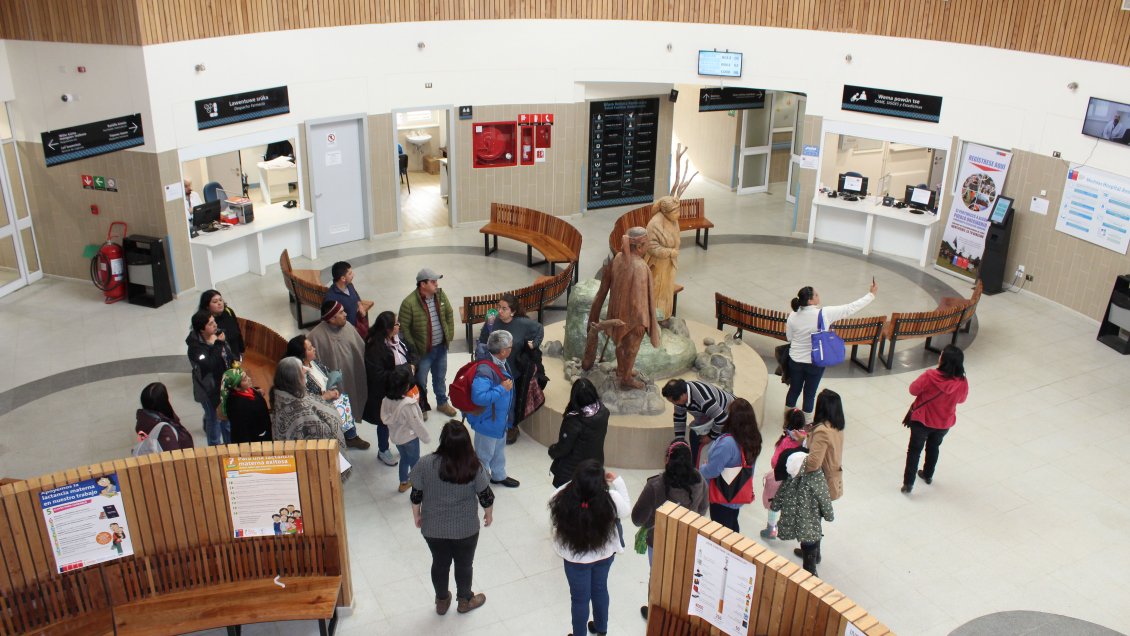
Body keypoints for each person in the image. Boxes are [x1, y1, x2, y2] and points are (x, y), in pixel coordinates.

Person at [409, 420, 493, 615]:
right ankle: (465, 601)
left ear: (443, 440)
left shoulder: (425, 463)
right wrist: (488, 514)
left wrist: (417, 515)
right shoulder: (473, 466)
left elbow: (416, 494)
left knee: (440, 563)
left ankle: (441, 600)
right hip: (466, 530)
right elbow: (485, 496)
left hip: (433, 528)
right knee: (464, 565)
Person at [549, 459, 631, 636]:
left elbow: (554, 495)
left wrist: (579, 482)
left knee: (579, 600)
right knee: (600, 590)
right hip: (604, 556)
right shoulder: (612, 499)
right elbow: (626, 510)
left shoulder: (563, 499)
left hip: (575, 561)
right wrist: (618, 481)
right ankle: (601, 629)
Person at [631, 439, 707, 621]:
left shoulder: (655, 485)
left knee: (658, 577)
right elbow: (703, 509)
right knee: (680, 577)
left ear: (667, 460)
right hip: (687, 539)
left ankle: (654, 614)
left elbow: (637, 519)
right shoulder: (700, 480)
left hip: (658, 542)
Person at [583, 227, 661, 390]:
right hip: (634, 319)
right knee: (632, 348)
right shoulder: (640, 267)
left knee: (620, 343)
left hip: (617, 314)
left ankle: (621, 369)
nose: (648, 246)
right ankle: (626, 378)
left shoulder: (618, 258)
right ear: (639, 246)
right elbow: (639, 298)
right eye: (646, 243)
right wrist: (641, 322)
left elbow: (605, 289)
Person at [785, 281, 876, 417]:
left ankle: (788, 420)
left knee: (794, 390)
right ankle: (807, 424)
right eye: (816, 294)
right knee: (809, 394)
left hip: (795, 360)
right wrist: (871, 294)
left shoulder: (793, 315)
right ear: (810, 301)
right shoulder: (824, 314)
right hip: (815, 362)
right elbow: (850, 308)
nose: (818, 295)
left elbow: (789, 338)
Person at [901, 345, 969, 494]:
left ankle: (908, 483)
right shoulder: (962, 381)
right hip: (944, 423)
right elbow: (962, 400)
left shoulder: (930, 376)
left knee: (914, 451)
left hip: (922, 421)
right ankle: (928, 474)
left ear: (944, 360)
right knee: (934, 447)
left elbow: (913, 390)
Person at [477, 293, 545, 443]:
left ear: (513, 311)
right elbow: (482, 339)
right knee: (494, 399)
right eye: (498, 307)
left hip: (512, 372)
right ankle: (494, 422)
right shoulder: (492, 321)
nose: (499, 311)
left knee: (510, 402)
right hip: (493, 370)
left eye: (504, 308)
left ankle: (511, 427)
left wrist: (534, 344)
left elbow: (539, 328)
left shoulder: (522, 324)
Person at [286, 333, 369, 449]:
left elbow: (326, 374)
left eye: (312, 346)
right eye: (310, 348)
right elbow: (304, 403)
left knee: (343, 408)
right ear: (301, 355)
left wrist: (332, 390)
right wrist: (325, 397)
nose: (314, 349)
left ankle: (350, 437)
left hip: (329, 402)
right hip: (317, 413)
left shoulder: (314, 362)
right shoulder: (298, 376)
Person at [793, 388, 846, 567]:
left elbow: (814, 462)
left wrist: (794, 466)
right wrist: (807, 437)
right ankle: (815, 554)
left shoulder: (822, 430)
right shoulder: (836, 426)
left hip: (817, 484)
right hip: (831, 481)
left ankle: (810, 566)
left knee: (808, 523)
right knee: (815, 520)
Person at [399, 268, 458, 419]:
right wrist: (415, 347)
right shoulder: (408, 303)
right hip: (423, 353)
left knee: (440, 378)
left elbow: (449, 314)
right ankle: (422, 407)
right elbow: (404, 329)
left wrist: (449, 335)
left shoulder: (440, 295)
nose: (436, 284)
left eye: (436, 281)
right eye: (433, 281)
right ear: (423, 284)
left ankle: (442, 403)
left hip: (441, 348)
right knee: (420, 381)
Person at [699, 398, 762, 533]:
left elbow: (713, 471)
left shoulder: (728, 443)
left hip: (722, 495)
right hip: (738, 492)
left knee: (721, 532)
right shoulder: (754, 438)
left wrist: (703, 467)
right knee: (732, 525)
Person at [364, 310, 418, 466]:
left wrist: (412, 364)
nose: (399, 326)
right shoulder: (375, 348)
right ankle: (383, 450)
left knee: (403, 419)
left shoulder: (398, 338)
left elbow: (411, 352)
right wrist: (406, 370)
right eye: (395, 324)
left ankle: (403, 443)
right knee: (385, 422)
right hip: (385, 393)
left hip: (403, 388)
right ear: (387, 328)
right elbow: (379, 375)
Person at [466, 330, 519, 488]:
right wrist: (502, 388)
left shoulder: (499, 361)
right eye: (510, 346)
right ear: (502, 351)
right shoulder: (485, 370)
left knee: (498, 450)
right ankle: (480, 484)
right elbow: (479, 397)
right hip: (487, 421)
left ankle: (498, 475)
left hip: (498, 420)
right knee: (483, 455)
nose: (512, 349)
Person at [772, 449, 834, 576]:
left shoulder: (814, 476)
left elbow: (824, 496)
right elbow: (783, 490)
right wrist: (775, 504)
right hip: (809, 516)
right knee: (813, 535)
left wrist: (829, 515)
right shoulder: (798, 474)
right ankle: (816, 556)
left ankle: (810, 572)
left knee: (808, 540)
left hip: (808, 517)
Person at [269, 357, 346, 450]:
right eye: (301, 368)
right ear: (294, 377)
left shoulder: (279, 392)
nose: (305, 370)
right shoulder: (300, 410)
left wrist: (324, 398)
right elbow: (323, 435)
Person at [548, 378, 609, 488]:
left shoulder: (574, 421)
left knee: (570, 497)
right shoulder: (603, 411)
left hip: (572, 472)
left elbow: (563, 448)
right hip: (594, 466)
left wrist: (552, 450)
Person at [660, 378, 736, 464]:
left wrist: (710, 437)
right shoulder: (679, 397)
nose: (674, 404)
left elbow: (722, 420)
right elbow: (679, 417)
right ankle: (694, 465)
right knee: (694, 435)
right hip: (709, 418)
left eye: (674, 401)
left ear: (682, 395)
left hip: (729, 416)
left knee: (720, 444)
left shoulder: (704, 399)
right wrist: (679, 440)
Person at [759, 408, 808, 540]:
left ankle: (771, 529)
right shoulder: (807, 439)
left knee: (773, 503)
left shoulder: (786, 441)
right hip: (797, 479)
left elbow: (775, 462)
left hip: (781, 478)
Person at [186, 310, 233, 445]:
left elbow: (227, 354)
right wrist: (218, 344)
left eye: (214, 321)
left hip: (224, 384)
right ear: (202, 329)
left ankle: (230, 445)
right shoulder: (195, 348)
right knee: (214, 419)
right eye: (211, 324)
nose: (215, 325)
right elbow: (209, 365)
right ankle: (214, 447)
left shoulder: (217, 334)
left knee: (226, 419)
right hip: (208, 390)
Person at [382, 366, 431, 493]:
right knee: (415, 462)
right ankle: (417, 486)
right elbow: (416, 424)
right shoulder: (408, 405)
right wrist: (426, 437)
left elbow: (384, 417)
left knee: (404, 458)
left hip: (397, 438)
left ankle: (403, 482)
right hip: (410, 439)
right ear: (404, 387)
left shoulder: (385, 400)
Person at [643, 196, 681, 321]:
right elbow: (651, 247)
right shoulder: (654, 224)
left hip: (669, 264)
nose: (678, 214)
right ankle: (653, 319)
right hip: (657, 265)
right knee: (656, 291)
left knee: (667, 291)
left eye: (679, 210)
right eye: (675, 211)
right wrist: (669, 252)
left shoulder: (673, 220)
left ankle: (665, 316)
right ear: (665, 212)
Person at [219, 366, 272, 444]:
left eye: (246, 376)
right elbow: (242, 434)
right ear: (236, 387)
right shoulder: (238, 406)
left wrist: (257, 392)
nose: (249, 379)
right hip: (255, 441)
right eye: (245, 379)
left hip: (261, 431)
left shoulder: (245, 390)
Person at [135, 382, 194, 451]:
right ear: (163, 401)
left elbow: (142, 438)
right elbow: (174, 455)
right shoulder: (166, 432)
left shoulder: (142, 417)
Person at [324, 261, 374, 339]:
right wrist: (349, 329)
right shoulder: (331, 298)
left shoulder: (349, 285)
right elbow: (330, 322)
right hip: (347, 333)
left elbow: (356, 295)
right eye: (350, 273)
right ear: (343, 278)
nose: (353, 275)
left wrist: (359, 305)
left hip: (357, 325)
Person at [198, 290, 244, 360]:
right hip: (221, 361)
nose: (219, 303)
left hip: (236, 355)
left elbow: (237, 330)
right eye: (215, 302)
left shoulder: (228, 311)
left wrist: (242, 349)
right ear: (207, 306)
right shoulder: (205, 322)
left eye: (220, 300)